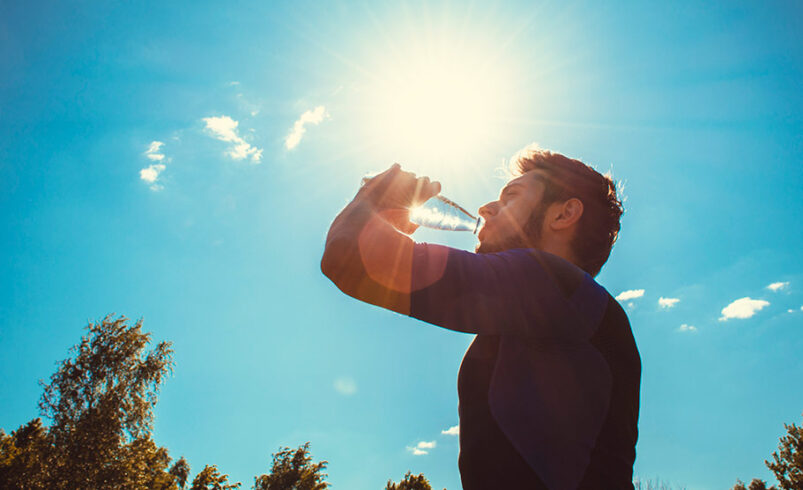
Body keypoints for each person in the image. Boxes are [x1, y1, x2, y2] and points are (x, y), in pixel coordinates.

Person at [321, 145, 640, 489]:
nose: (486, 208)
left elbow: (349, 254)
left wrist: (371, 198)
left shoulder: (553, 284)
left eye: (510, 197)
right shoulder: (554, 308)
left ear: (563, 216)